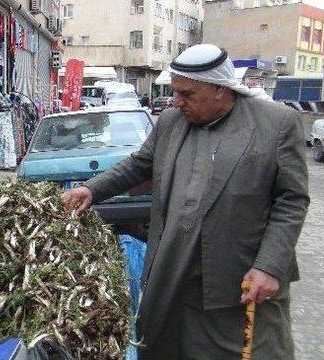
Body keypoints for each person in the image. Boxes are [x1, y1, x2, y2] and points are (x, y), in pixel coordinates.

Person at [61, 44, 309, 359]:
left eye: (187, 94)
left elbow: (292, 199)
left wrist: (269, 265)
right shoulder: (170, 122)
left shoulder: (276, 124)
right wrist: (92, 189)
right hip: (173, 268)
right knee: (168, 347)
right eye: (174, 92)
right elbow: (138, 165)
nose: (176, 101)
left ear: (220, 89)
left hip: (238, 276)